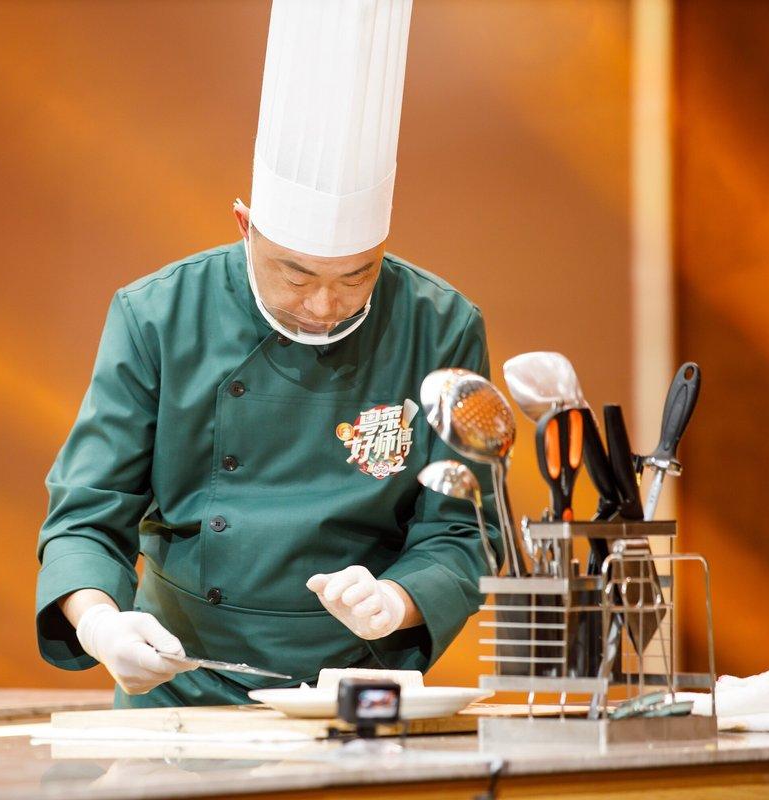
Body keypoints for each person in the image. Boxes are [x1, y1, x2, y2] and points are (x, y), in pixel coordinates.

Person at [35, 0, 502, 708]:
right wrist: (103, 628)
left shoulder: (440, 326)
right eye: (294, 274)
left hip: (357, 691)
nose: (322, 305)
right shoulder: (158, 314)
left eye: (356, 276)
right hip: (178, 689)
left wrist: (399, 600)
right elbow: (86, 512)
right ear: (244, 227)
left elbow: (463, 529)